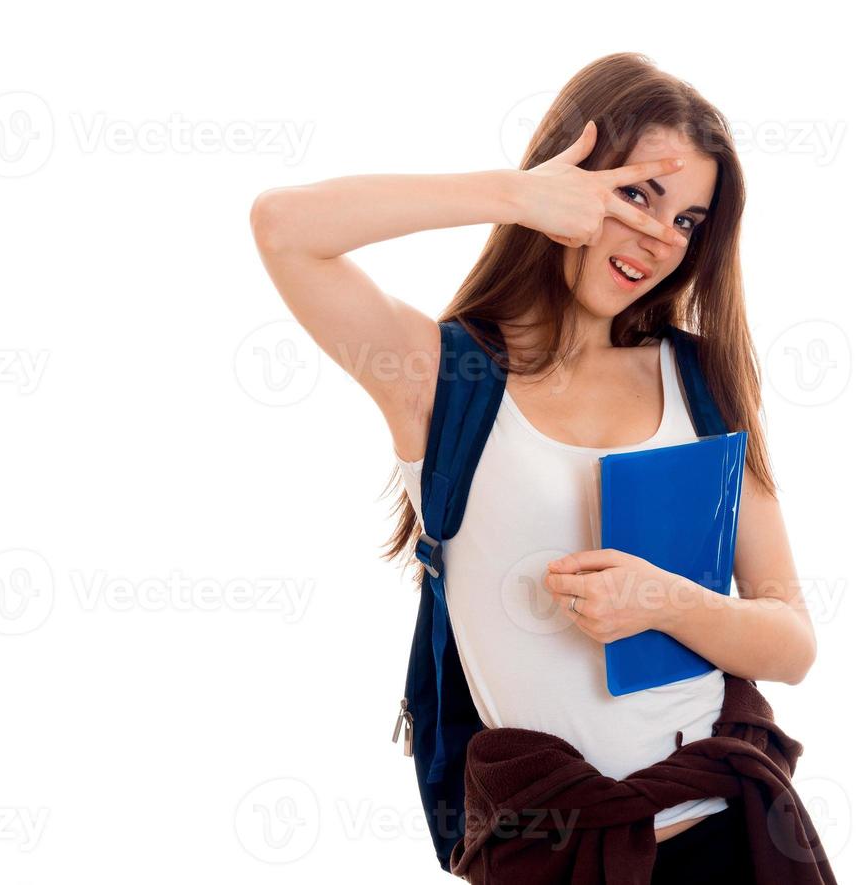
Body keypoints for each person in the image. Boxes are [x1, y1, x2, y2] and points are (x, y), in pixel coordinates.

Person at [250, 52, 821, 877]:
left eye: (689, 221)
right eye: (637, 195)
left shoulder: (702, 380)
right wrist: (513, 194)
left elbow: (791, 642)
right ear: (572, 180)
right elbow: (282, 227)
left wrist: (659, 600)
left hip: (731, 835)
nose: (661, 238)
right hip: (550, 857)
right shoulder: (444, 380)